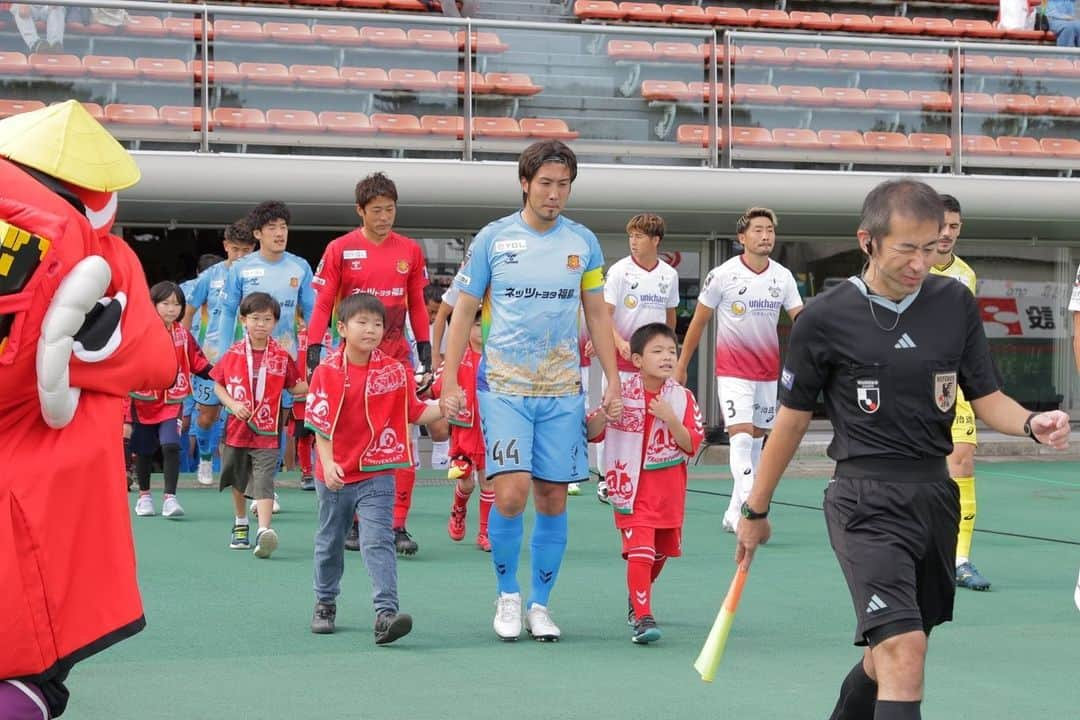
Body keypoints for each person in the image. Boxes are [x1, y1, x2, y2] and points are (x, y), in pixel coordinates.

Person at [735, 179, 1071, 720]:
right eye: (907, 249)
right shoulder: (822, 317)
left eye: (932, 247)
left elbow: (986, 397)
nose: (921, 263)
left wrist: (1033, 423)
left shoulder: (953, 302)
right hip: (864, 501)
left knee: (891, 651)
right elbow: (792, 422)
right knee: (903, 651)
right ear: (866, 240)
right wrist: (756, 508)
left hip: (935, 497)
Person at [0, 100, 176, 719]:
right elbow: (155, 362)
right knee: (35, 657)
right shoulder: (103, 257)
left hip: (34, 460)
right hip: (52, 475)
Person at [439, 140, 623, 642]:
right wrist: (450, 377)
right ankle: (507, 594)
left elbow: (597, 313)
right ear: (525, 183)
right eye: (545, 183)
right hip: (503, 386)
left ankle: (540, 605)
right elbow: (463, 311)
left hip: (563, 391)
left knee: (552, 498)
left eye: (563, 185)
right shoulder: (494, 240)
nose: (554, 193)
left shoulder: (583, 242)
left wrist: (613, 377)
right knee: (513, 492)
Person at [305, 293, 445, 643]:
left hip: (379, 470)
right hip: (335, 473)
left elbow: (414, 412)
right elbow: (319, 423)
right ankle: (325, 601)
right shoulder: (326, 371)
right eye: (362, 322)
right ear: (342, 328)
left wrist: (446, 407)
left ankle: (386, 613)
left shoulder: (395, 371)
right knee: (330, 541)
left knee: (377, 540)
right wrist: (328, 462)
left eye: (378, 323)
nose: (371, 330)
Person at [306, 172, 434, 554]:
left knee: (404, 439)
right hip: (352, 362)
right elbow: (325, 303)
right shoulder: (340, 249)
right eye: (376, 211)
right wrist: (314, 348)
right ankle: (356, 523)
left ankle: (397, 525)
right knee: (357, 437)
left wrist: (425, 345)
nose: (384, 217)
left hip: (396, 358)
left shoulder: (409, 250)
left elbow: (416, 303)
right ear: (360, 211)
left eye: (390, 210)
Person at [675, 207, 803, 532]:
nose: (765, 236)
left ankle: (733, 513)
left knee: (757, 441)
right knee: (742, 439)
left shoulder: (782, 276)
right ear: (742, 238)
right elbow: (699, 321)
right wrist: (681, 364)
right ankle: (750, 505)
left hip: (767, 372)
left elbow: (801, 320)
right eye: (758, 230)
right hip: (732, 371)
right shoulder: (723, 275)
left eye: (769, 230)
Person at [586, 323, 703, 644]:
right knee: (641, 550)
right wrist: (607, 415)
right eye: (658, 351)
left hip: (669, 492)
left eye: (672, 351)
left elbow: (692, 443)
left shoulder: (682, 398)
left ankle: (638, 596)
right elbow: (592, 430)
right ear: (636, 360)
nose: (667, 357)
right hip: (631, 489)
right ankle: (642, 616)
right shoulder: (620, 392)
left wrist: (671, 418)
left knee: (660, 553)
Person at [215, 201, 314, 509]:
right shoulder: (241, 268)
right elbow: (229, 311)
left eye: (283, 227)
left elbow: (312, 310)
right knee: (241, 423)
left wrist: (317, 354)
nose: (279, 233)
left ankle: (267, 486)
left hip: (284, 359)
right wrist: (221, 356)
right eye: (272, 228)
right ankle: (245, 486)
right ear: (258, 233)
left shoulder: (300, 266)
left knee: (278, 421)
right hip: (244, 361)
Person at [594, 213, 680, 504]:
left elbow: (670, 321)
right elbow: (604, 315)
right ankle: (607, 477)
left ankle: (642, 472)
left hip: (651, 367)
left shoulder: (669, 275)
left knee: (647, 417)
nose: (634, 242)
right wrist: (619, 342)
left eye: (640, 236)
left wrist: (668, 355)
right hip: (619, 362)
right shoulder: (619, 271)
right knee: (615, 414)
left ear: (655, 240)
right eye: (631, 236)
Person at [211, 293, 306, 558]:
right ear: (243, 320)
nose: (261, 324)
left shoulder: (281, 355)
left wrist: (320, 382)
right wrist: (232, 404)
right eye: (255, 318)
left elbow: (293, 385)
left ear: (275, 322)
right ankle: (241, 522)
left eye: (267, 319)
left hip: (268, 431)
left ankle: (264, 531)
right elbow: (218, 384)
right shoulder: (232, 354)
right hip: (236, 429)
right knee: (238, 478)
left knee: (264, 479)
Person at [928, 194, 988, 592]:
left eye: (955, 227)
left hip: (952, 383)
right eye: (942, 226)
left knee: (962, 462)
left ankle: (961, 559)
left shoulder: (966, 275)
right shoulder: (908, 265)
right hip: (909, 382)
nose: (948, 234)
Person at [129, 281, 212, 519]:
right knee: (143, 451)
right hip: (142, 400)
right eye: (165, 303)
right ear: (153, 305)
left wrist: (221, 374)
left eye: (176, 304)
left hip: (173, 400)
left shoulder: (183, 334)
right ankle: (144, 496)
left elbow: (198, 362)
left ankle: (170, 498)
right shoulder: (138, 333)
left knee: (171, 445)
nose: (171, 309)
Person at [184, 219, 256, 486]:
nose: (240, 255)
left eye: (246, 250)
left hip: (248, 357)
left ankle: (245, 474)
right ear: (225, 246)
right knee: (207, 415)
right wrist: (185, 345)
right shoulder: (209, 276)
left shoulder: (259, 275)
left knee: (245, 416)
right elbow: (189, 309)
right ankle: (205, 457)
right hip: (211, 359)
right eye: (235, 249)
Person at [432, 307, 495, 551]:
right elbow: (439, 386)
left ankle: (485, 531)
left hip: (491, 430)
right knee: (466, 483)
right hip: (464, 433)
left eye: (485, 325)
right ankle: (459, 508)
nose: (480, 331)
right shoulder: (458, 358)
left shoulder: (498, 358)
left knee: (489, 481)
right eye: (476, 325)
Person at [179, 252, 224, 474]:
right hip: (197, 362)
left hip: (196, 362)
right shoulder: (189, 290)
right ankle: (209, 467)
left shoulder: (184, 288)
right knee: (208, 419)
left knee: (191, 420)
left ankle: (192, 469)